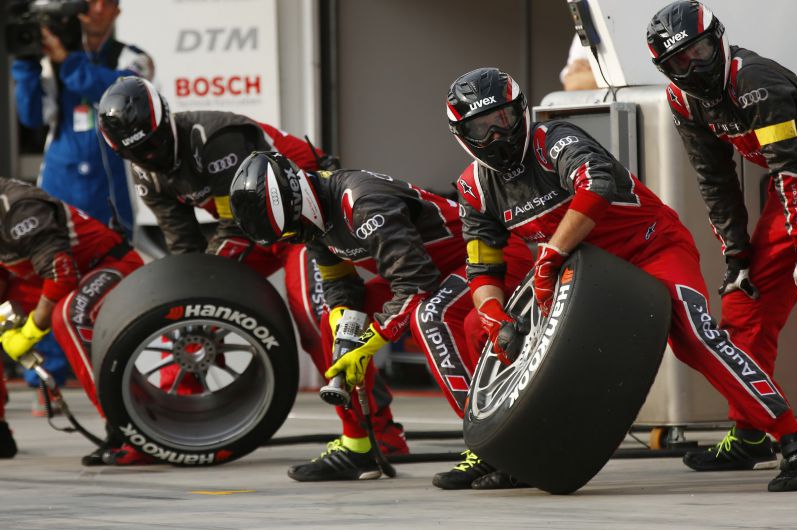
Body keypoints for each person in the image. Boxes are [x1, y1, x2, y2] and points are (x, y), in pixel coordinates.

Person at [446, 66, 797, 492]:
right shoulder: (474, 187)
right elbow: (483, 266)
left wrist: (551, 255)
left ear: (521, 112)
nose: (497, 136)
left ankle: (790, 435)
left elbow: (596, 183)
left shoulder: (554, 140)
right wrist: (490, 312)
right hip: (582, 277)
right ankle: (520, 453)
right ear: (462, 135)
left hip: (652, 248)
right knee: (492, 333)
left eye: (503, 120)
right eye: (482, 128)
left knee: (693, 333)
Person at [97, 76, 408, 458]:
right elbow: (184, 245)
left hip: (305, 221)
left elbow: (235, 227)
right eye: (137, 153)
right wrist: (187, 294)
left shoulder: (214, 139)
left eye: (153, 145)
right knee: (185, 307)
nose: (149, 158)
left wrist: (200, 278)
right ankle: (163, 426)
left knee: (318, 319)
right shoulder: (144, 172)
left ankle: (379, 433)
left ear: (164, 122)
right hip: (257, 230)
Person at [228, 151, 533, 484]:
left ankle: (496, 445)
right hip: (431, 272)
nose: (293, 239)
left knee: (432, 317)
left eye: (290, 232)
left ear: (297, 200)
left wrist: (370, 342)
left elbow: (416, 284)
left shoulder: (362, 203)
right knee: (338, 332)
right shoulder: (307, 220)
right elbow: (340, 285)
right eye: (285, 237)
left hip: (487, 259)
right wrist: (344, 325)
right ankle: (359, 448)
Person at [647, 0, 797, 473]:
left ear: (718, 38)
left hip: (793, 180)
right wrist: (736, 254)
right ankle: (751, 430)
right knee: (743, 305)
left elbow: (790, 169)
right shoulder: (681, 99)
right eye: (677, 61)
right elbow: (714, 180)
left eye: (698, 51)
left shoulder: (755, 80)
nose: (691, 66)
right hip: (787, 189)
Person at [10, 0, 153, 404]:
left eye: (104, 3)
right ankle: (48, 380)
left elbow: (121, 95)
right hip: (58, 180)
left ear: (117, 11)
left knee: (115, 277)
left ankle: (116, 368)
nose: (94, 10)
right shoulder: (47, 61)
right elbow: (30, 117)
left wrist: (69, 60)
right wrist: (25, 63)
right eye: (86, 3)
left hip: (109, 187)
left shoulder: (132, 57)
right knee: (50, 278)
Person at [0, 177, 146, 465]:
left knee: (69, 315)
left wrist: (28, 333)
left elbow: (60, 278)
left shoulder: (19, 207)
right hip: (41, 278)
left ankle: (127, 431)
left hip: (107, 264)